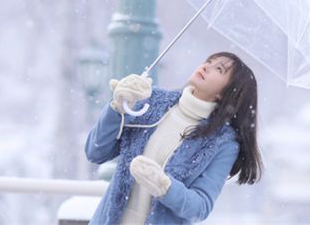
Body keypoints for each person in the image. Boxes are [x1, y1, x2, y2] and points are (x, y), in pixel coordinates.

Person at [85, 52, 262, 224]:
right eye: (209, 61)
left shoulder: (222, 142)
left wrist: (165, 187)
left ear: (226, 93)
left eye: (219, 69)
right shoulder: (152, 102)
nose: (207, 67)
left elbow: (200, 207)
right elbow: (95, 151)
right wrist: (118, 107)